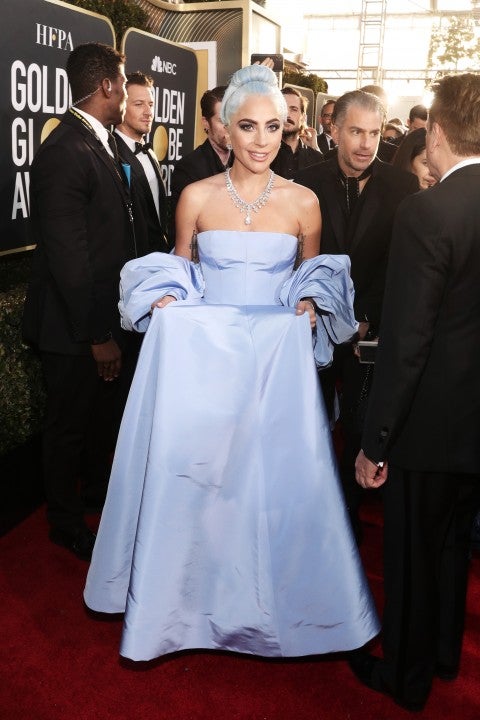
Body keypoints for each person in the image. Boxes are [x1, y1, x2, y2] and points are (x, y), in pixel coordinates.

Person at [84, 64, 380, 662]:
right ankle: (191, 604)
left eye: (273, 126)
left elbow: (306, 280)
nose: (262, 140)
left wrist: (307, 304)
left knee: (272, 488)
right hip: (207, 369)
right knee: (204, 480)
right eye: (248, 126)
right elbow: (185, 274)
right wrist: (169, 301)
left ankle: (278, 609)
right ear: (224, 126)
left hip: (275, 371)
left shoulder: (304, 202)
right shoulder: (196, 197)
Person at [352, 73, 480, 711]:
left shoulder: (428, 212)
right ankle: (444, 655)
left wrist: (376, 440)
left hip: (428, 426)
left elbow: (407, 341)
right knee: (454, 549)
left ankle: (405, 678)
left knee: (411, 555)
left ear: (440, 132)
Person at [22, 43, 146, 560]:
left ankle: (95, 494)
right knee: (67, 426)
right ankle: (64, 522)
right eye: (124, 84)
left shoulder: (100, 141)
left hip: (101, 318)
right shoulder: (65, 150)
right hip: (71, 327)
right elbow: (70, 259)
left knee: (98, 419)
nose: (128, 97)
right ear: (107, 86)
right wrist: (97, 335)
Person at [295, 90, 418, 542]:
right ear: (333, 130)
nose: (366, 144)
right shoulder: (303, 182)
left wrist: (366, 315)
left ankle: (346, 517)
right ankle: (306, 510)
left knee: (359, 425)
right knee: (307, 423)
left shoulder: (402, 187)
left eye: (374, 133)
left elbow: (401, 264)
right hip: (312, 328)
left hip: (371, 332)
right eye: (355, 132)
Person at [114, 71, 170, 252]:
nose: (148, 112)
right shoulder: (111, 153)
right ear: (121, 105)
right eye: (139, 104)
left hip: (159, 256)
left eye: (151, 104)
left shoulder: (150, 152)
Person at [169, 86, 231, 238]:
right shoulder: (188, 169)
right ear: (206, 123)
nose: (229, 127)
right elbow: (181, 232)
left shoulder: (245, 162)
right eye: (222, 120)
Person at [270, 86, 323, 179]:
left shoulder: (316, 159)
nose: (287, 114)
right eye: (282, 109)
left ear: (303, 117)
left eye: (294, 109)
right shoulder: (263, 154)